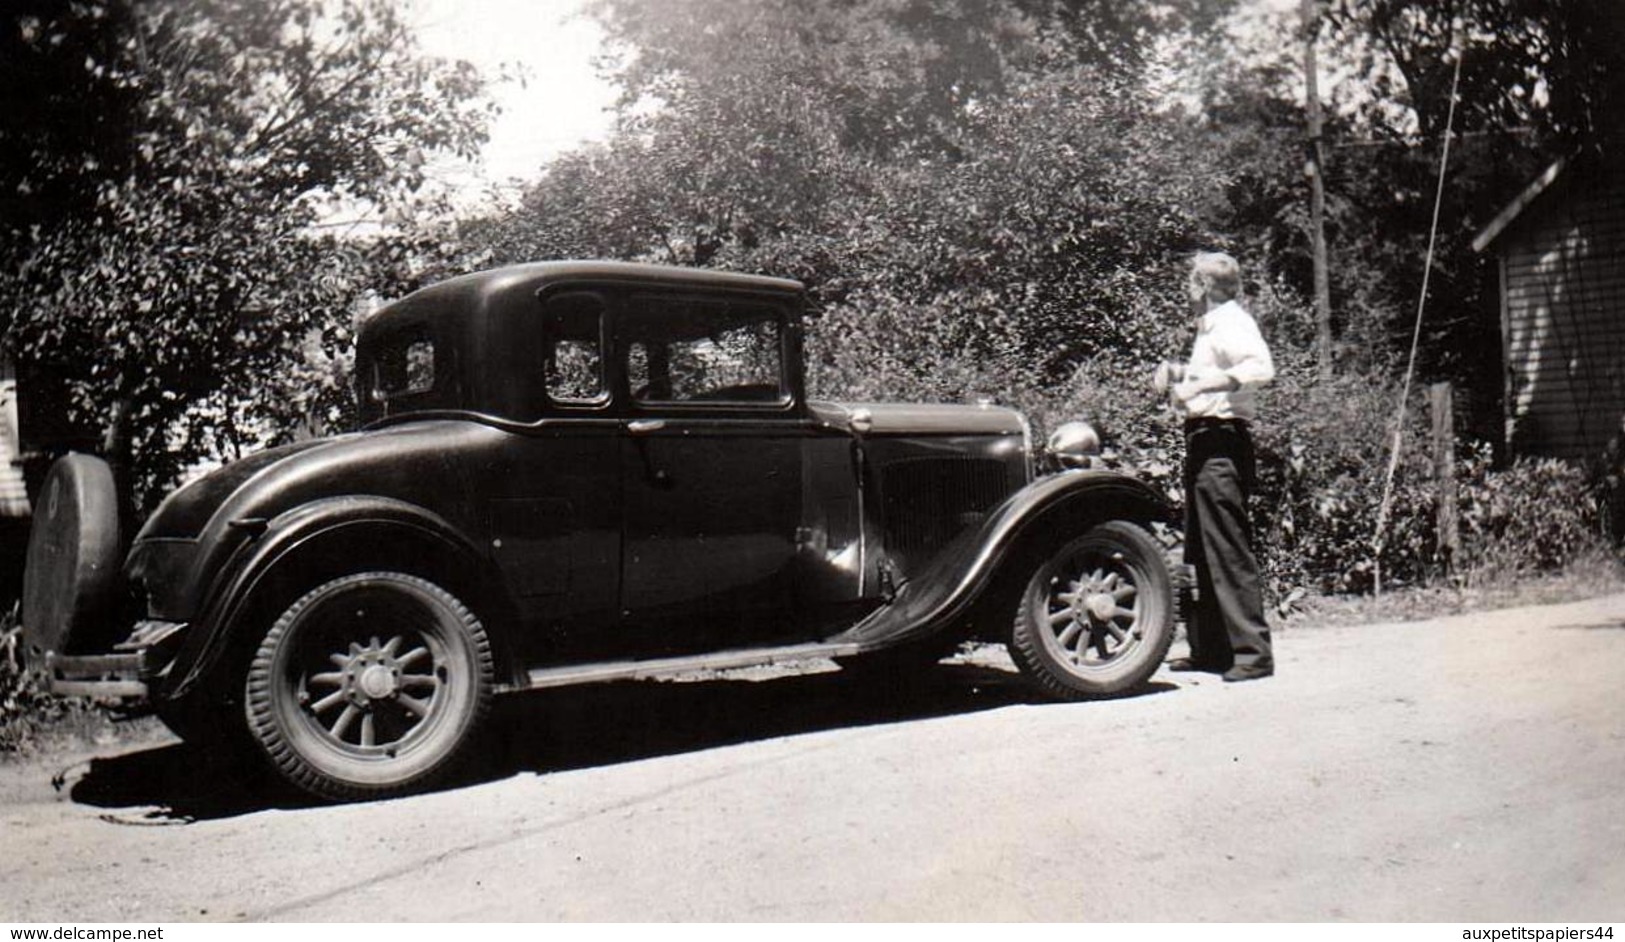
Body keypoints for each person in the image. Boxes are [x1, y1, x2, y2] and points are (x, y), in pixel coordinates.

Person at [1152, 251, 1275, 682]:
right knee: (1201, 549)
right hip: (1204, 440)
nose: (1186, 288)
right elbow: (1216, 372)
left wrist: (1200, 384)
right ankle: (1210, 650)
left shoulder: (1232, 322)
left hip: (1222, 442)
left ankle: (1253, 654)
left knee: (1226, 547)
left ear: (1203, 285)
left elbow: (1261, 368)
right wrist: (1180, 371)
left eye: (1190, 281)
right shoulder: (1211, 328)